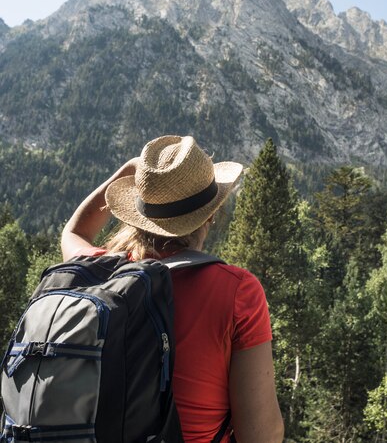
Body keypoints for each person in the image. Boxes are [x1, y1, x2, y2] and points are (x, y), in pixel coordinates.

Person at [61, 135, 284, 443]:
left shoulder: (100, 272)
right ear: (211, 215)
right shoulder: (238, 291)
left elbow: (74, 231)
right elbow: (259, 436)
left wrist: (128, 170)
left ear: (139, 217)